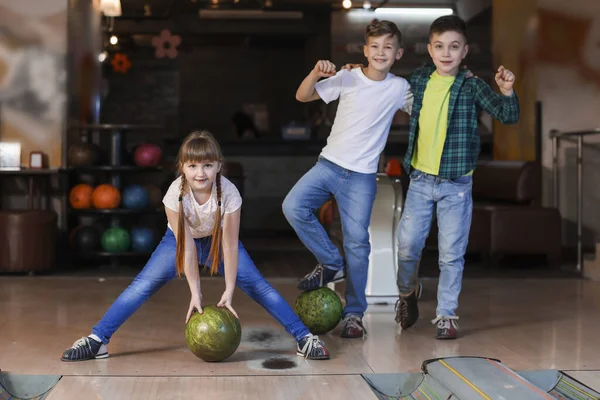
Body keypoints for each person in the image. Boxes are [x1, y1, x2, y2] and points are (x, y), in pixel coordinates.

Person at [61, 131, 330, 362]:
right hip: (178, 243)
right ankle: (97, 340)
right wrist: (195, 293)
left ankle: (304, 338)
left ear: (218, 166)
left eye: (207, 166)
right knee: (141, 286)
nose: (200, 173)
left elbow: (230, 245)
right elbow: (187, 248)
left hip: (218, 239)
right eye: (192, 166)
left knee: (259, 286)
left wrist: (228, 290)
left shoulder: (230, 193)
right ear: (182, 167)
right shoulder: (174, 195)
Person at [283, 19, 412, 339]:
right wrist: (316, 72)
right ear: (365, 50)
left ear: (398, 53)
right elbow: (302, 96)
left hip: (362, 177)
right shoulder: (348, 76)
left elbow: (427, 112)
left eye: (388, 47)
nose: (381, 52)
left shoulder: (400, 88)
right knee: (293, 207)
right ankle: (330, 261)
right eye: (375, 46)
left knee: (358, 243)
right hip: (328, 165)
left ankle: (354, 315)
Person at [394, 15, 520, 340]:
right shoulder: (419, 80)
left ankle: (446, 315)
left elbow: (508, 114)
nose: (446, 53)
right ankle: (408, 294)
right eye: (439, 46)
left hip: (457, 186)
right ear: (429, 49)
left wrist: (507, 91)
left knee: (452, 253)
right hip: (420, 182)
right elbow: (384, 91)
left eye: (454, 47)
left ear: (465, 50)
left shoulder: (473, 85)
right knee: (407, 247)